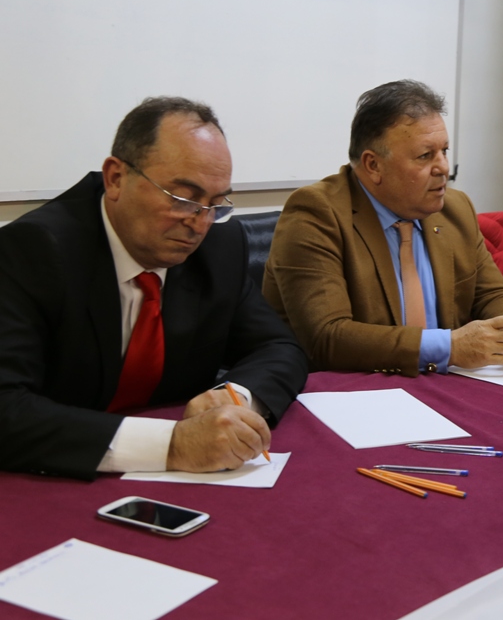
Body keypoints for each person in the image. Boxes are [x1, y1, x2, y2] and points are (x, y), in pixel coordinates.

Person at [0, 97, 308, 481]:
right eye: (184, 199)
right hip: (50, 477)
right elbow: (7, 407)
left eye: (215, 204)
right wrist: (173, 445)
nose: (200, 223)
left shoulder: (219, 246)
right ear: (116, 178)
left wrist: (234, 396)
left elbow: (278, 346)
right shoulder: (33, 251)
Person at [263, 79, 503, 376]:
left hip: (442, 384)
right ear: (373, 165)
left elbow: (492, 294)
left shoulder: (454, 209)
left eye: (444, 151)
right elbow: (328, 338)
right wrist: (451, 347)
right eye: (425, 156)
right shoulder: (316, 214)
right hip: (349, 390)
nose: (443, 167)